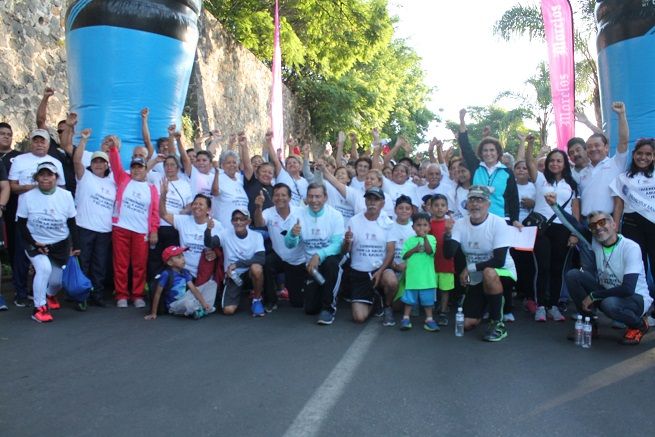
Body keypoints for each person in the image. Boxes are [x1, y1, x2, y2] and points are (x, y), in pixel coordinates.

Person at [564, 212, 652, 345]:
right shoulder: (596, 241)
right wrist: (553, 204)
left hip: (635, 298)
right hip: (608, 293)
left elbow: (628, 289)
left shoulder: (630, 247)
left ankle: (639, 325)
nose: (598, 228)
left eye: (602, 222)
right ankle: (591, 325)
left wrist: (594, 295)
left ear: (614, 225)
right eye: (593, 225)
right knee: (573, 276)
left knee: (609, 304)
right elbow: (574, 224)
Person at [444, 185, 517, 342]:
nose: (476, 204)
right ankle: (491, 303)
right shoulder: (460, 224)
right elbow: (449, 254)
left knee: (489, 272)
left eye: (480, 200)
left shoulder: (498, 223)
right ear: (467, 204)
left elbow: (499, 261)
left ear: (488, 204)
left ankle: (498, 322)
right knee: (467, 324)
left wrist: (469, 268)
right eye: (472, 200)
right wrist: (447, 235)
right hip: (476, 275)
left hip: (502, 272)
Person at [8, 128, 66, 308]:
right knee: (21, 256)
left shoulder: (55, 162)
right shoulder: (19, 160)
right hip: (26, 214)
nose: (39, 144)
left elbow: (61, 188)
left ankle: (41, 292)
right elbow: (13, 187)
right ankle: (20, 292)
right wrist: (35, 187)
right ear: (30, 143)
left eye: (43, 141)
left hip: (48, 219)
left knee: (46, 261)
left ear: (48, 144)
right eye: (36, 141)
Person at [526, 136, 580, 322]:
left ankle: (554, 306)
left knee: (558, 268)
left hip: (563, 229)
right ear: (547, 163)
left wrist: (574, 233)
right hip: (541, 229)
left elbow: (575, 210)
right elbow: (529, 163)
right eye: (552, 161)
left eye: (559, 160)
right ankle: (540, 305)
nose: (555, 163)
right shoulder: (540, 179)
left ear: (565, 164)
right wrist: (530, 145)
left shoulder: (572, 185)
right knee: (543, 267)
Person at [16, 162, 79, 323]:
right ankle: (39, 308)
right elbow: (21, 225)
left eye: (49, 174)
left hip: (60, 244)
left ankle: (50, 294)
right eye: (42, 174)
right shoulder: (27, 197)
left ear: (56, 178)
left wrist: (76, 245)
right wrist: (34, 243)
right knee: (44, 269)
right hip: (35, 242)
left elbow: (72, 222)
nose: (45, 178)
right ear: (36, 178)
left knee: (57, 282)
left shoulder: (66, 195)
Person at [108, 137, 159, 308]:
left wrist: (153, 230)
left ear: (146, 169)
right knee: (121, 263)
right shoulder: (123, 179)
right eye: (134, 167)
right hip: (121, 227)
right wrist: (114, 149)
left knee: (139, 265)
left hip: (141, 231)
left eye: (140, 167)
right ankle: (121, 294)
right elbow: (115, 165)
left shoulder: (151, 189)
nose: (136, 170)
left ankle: (137, 294)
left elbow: (154, 213)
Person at [284, 183, 345, 325]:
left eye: (318, 196)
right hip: (311, 266)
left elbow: (337, 245)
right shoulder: (298, 214)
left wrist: (318, 255)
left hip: (330, 257)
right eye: (310, 196)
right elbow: (289, 244)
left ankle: (329, 308)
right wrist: (293, 234)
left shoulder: (335, 215)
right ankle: (326, 292)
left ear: (325, 197)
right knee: (310, 309)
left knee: (331, 265)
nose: (314, 200)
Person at [73, 128, 116, 308]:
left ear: (107, 164)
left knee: (99, 265)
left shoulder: (113, 181)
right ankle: (81, 296)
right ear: (91, 164)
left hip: (104, 230)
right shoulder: (84, 176)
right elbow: (76, 160)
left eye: (102, 162)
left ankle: (97, 295)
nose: (98, 164)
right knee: (84, 263)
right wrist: (83, 140)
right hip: (84, 227)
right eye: (95, 162)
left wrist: (113, 149)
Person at [458, 109, 520, 226]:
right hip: (477, 219)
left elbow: (513, 199)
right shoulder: (475, 167)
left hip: (501, 220)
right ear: (481, 153)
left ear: (498, 152)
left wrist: (515, 220)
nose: (488, 153)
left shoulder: (507, 172)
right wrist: (462, 120)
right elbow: (464, 145)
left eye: (492, 150)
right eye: (485, 150)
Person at [342, 187, 395, 323]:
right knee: (359, 318)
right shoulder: (354, 221)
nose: (372, 202)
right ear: (365, 201)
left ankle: (387, 306)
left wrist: (380, 271)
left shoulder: (388, 223)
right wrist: (346, 242)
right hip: (359, 272)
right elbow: (345, 251)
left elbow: (391, 251)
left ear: (382, 203)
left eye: (376, 199)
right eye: (369, 199)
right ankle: (376, 301)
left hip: (379, 270)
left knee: (391, 281)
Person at [610, 138, 655, 290]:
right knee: (637, 264)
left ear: (653, 156)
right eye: (640, 153)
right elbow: (618, 206)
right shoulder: (623, 178)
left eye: (648, 154)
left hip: (653, 224)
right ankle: (640, 300)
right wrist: (615, 229)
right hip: (631, 225)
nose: (643, 157)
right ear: (634, 154)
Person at [252, 183, 306, 310]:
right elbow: (259, 223)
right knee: (267, 263)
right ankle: (271, 300)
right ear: (272, 197)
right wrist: (258, 207)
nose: (280, 198)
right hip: (279, 255)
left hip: (297, 260)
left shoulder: (301, 212)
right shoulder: (268, 212)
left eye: (283, 195)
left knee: (297, 303)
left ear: (290, 197)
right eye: (276, 195)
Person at [204, 209, 266, 317]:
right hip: (233, 275)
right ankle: (240, 298)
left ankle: (257, 300)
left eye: (242, 219)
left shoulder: (256, 236)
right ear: (231, 221)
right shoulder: (224, 234)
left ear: (248, 221)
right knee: (228, 311)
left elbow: (261, 258)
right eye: (235, 219)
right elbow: (210, 243)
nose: (238, 222)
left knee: (257, 268)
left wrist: (237, 264)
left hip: (249, 273)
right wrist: (208, 230)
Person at [160, 181, 222, 279]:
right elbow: (163, 214)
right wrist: (163, 196)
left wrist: (215, 253)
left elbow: (222, 248)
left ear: (208, 210)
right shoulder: (183, 220)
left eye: (201, 204)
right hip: (184, 273)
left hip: (206, 273)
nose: (197, 206)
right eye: (195, 203)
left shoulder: (217, 225)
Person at [577, 102, 629, 219]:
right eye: (589, 146)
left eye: (597, 145)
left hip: (607, 222)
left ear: (606, 148)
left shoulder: (616, 163)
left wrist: (621, 114)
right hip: (586, 223)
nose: (593, 149)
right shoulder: (583, 172)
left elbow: (623, 140)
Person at [144, 246, 216, 321]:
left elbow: (193, 289)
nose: (183, 259)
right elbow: (157, 294)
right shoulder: (166, 274)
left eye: (182, 255)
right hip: (174, 305)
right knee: (187, 303)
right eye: (179, 257)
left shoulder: (185, 272)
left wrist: (203, 302)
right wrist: (153, 313)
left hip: (186, 297)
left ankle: (203, 308)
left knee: (211, 284)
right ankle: (202, 309)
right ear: (170, 262)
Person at [398, 212, 439, 331]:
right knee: (409, 301)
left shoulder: (431, 238)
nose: (422, 228)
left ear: (429, 227)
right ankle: (405, 318)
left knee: (428, 301)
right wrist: (414, 249)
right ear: (413, 227)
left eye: (425, 225)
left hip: (427, 279)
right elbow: (404, 256)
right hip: (412, 278)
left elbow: (430, 251)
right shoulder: (410, 241)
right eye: (418, 225)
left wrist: (424, 237)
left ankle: (429, 319)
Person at [429, 195, 455, 326]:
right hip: (431, 263)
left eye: (443, 205)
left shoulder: (450, 223)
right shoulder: (428, 224)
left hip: (446, 262)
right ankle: (431, 310)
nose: (439, 208)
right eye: (436, 205)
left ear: (447, 208)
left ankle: (444, 312)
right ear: (431, 208)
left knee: (445, 289)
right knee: (432, 287)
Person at [212, 148, 249, 228]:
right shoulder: (219, 177)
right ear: (222, 165)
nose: (232, 165)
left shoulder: (240, 179)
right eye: (228, 163)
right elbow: (215, 192)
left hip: (242, 229)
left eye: (234, 162)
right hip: (225, 228)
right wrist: (216, 173)